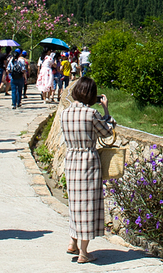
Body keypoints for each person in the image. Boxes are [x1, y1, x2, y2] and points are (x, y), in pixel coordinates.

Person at [60, 78, 113, 264]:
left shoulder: (64, 113)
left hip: (71, 160)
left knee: (75, 203)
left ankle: (72, 242)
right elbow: (107, 132)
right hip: (88, 162)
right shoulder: (91, 114)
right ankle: (83, 252)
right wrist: (106, 110)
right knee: (88, 205)